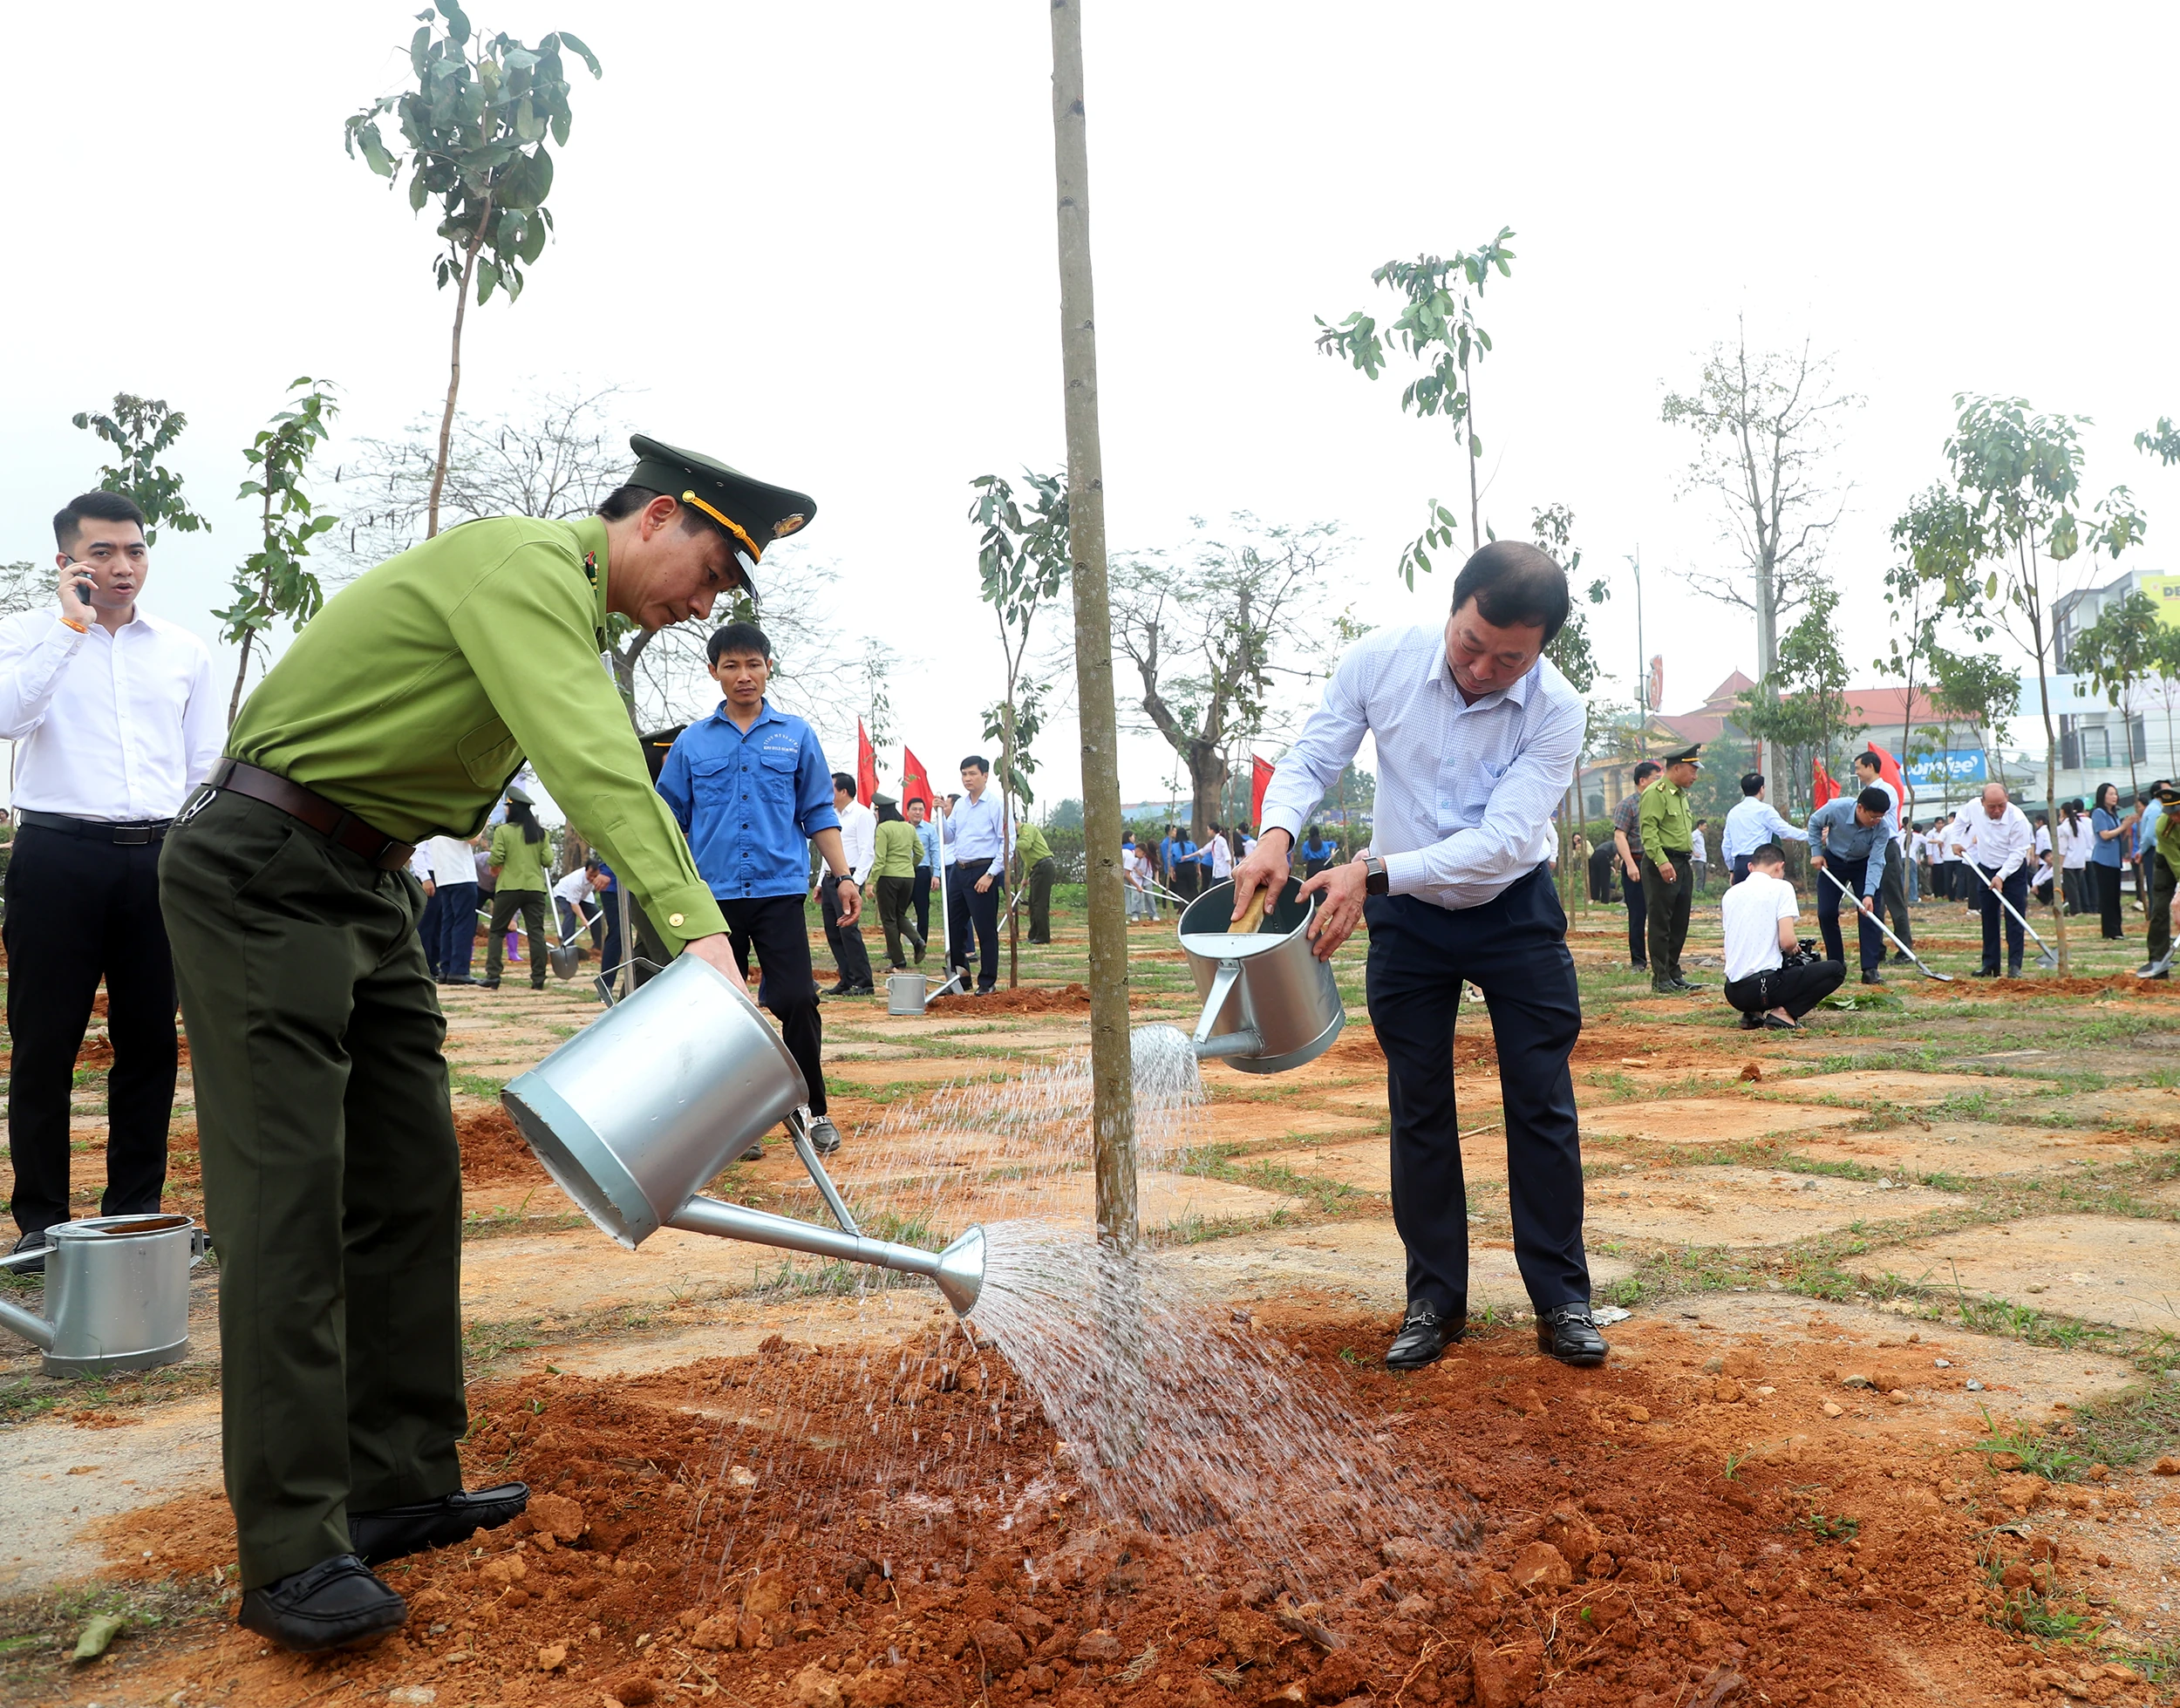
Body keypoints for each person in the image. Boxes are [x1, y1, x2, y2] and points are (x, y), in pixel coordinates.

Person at [158, 434, 812, 1651]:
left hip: (369, 881)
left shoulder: (567, 605)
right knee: (286, 1202)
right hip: (264, 868)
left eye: (727, 590)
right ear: (657, 516)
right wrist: (698, 934)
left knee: (411, 1180)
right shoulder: (522, 565)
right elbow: (590, 752)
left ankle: (400, 1479)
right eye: (712, 567)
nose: (707, 602)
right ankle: (293, 1548)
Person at [1237, 539, 1607, 1372]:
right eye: (1471, 644)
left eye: (1509, 659)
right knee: (1419, 1102)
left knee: (1540, 1098)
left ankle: (1562, 1299)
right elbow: (1314, 755)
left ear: (1541, 648)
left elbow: (1505, 838)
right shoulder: (1381, 662)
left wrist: (1368, 872)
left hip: (1511, 906)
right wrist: (1276, 832)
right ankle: (1433, 1299)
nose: (1482, 669)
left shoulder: (1557, 709)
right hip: (1406, 916)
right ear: (1453, 608)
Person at [0, 490, 221, 1272]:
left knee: (150, 1043)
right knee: (43, 1043)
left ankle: (132, 1213)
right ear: (67, 561)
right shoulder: (26, 636)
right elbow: (9, 718)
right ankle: (40, 1225)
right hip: (56, 856)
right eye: (101, 553)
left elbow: (203, 766)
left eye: (133, 550)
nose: (121, 567)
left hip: (157, 860)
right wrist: (70, 628)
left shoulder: (183, 649)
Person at [655, 621, 854, 1157]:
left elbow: (817, 811)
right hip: (712, 896)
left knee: (795, 999)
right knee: (721, 1012)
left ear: (768, 667)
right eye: (731, 665)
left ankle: (815, 1111)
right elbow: (667, 817)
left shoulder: (796, 735)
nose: (744, 675)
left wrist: (843, 875)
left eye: (753, 664)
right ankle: (740, 1123)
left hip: (778, 890)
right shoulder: (692, 743)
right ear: (714, 671)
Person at [1720, 843, 1845, 1031]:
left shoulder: (1730, 894)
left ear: (1750, 867)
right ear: (1780, 866)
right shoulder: (1781, 887)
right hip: (1763, 989)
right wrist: (1793, 948)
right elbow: (1787, 941)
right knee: (1836, 969)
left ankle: (1752, 1014)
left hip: (1733, 992)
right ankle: (1784, 1014)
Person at [1947, 781, 2035, 978]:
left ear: (2007, 800)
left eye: (2001, 806)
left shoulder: (2018, 820)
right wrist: (1955, 842)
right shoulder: (1973, 807)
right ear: (1982, 803)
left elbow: (2017, 853)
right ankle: (1990, 964)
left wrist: (2001, 876)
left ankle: (2015, 965)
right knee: (1988, 916)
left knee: (2015, 917)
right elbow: (1959, 821)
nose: (1997, 811)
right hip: (1986, 868)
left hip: (2012, 871)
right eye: (1992, 807)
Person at [1637, 745, 1705, 995]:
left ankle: (1674, 972)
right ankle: (1660, 977)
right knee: (1661, 921)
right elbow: (1649, 831)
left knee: (1679, 921)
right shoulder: (1656, 792)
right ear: (1677, 768)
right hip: (1662, 864)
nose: (1695, 776)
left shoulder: (1679, 794)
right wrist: (1662, 862)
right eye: (1692, 770)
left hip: (1682, 863)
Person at [1808, 785, 1893, 984]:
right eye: (1873, 817)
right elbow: (1814, 823)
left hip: (1863, 865)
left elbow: (1876, 861)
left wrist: (1869, 893)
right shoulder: (1836, 808)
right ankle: (1836, 964)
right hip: (1833, 861)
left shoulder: (1882, 828)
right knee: (1826, 913)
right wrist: (1816, 853)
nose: (1876, 821)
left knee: (1870, 913)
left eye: (1880, 817)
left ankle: (1870, 968)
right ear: (1860, 808)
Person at [945, 757, 1012, 993]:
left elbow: (1007, 843)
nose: (967, 778)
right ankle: (959, 979)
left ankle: (987, 982)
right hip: (958, 871)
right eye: (964, 774)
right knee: (954, 927)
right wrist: (942, 815)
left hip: (983, 872)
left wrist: (991, 874)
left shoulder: (996, 805)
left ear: (985, 776)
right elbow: (948, 837)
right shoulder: (960, 805)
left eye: (972, 773)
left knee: (985, 930)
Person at [481, 786, 550, 990]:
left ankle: (493, 976)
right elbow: (548, 860)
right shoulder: (540, 833)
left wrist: (496, 865)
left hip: (509, 888)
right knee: (536, 933)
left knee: (497, 932)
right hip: (535, 889)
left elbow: (496, 858)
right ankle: (538, 978)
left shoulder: (503, 831)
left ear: (514, 809)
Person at [1850, 752, 1915, 965]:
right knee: (1873, 900)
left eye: (1859, 768)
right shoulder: (1868, 792)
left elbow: (1880, 825)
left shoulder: (1885, 790)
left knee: (1893, 898)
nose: (1857, 773)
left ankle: (1905, 948)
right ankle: (1876, 949)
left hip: (1885, 848)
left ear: (1870, 766)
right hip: (1870, 850)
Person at [820, 772, 875, 997]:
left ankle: (864, 981)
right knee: (834, 932)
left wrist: (856, 882)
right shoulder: (831, 814)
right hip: (829, 879)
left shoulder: (862, 814)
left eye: (831, 788)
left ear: (843, 791)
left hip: (848, 878)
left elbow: (867, 852)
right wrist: (819, 882)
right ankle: (846, 978)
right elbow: (827, 850)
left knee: (849, 932)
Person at [1720, 770, 1806, 888]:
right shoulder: (1765, 810)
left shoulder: (1733, 812)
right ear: (1761, 789)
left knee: (1744, 904)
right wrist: (1810, 835)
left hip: (1740, 865)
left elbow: (1726, 845)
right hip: (1760, 863)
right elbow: (1785, 831)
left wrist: (1732, 869)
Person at [869, 793, 925, 971]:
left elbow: (880, 859)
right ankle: (917, 940)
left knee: (889, 919)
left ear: (880, 811)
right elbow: (920, 853)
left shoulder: (883, 828)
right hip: (908, 877)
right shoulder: (909, 828)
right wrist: (909, 866)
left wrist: (871, 881)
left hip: (888, 877)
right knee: (899, 914)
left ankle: (898, 960)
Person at [1611, 761, 1659, 970]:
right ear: (1642, 781)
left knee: (1660, 916)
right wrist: (1630, 865)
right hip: (1637, 864)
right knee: (1638, 916)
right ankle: (1638, 961)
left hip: (1657, 865)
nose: (1660, 783)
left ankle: (1663, 963)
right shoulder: (1628, 805)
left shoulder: (1659, 803)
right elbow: (1620, 835)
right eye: (1656, 779)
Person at [2140, 784, 2179, 978]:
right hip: (2167, 863)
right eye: (2171, 813)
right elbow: (2176, 862)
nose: (2175, 818)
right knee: (2161, 909)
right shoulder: (2162, 826)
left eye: (2178, 813)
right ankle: (2157, 960)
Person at [2089, 783, 2134, 941]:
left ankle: (2117, 928)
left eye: (2115, 794)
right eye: (2111, 794)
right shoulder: (2098, 813)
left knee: (2115, 896)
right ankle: (2109, 930)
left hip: (2114, 860)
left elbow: (2117, 836)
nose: (2115, 797)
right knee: (2107, 896)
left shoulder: (2113, 814)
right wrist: (2123, 826)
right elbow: (2105, 835)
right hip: (2103, 860)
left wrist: (2126, 828)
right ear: (2103, 796)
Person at [1014, 815, 1057, 942]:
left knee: (1040, 904)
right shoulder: (1019, 837)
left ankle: (1043, 936)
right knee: (1032, 904)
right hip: (1035, 870)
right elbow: (1028, 862)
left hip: (1044, 867)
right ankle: (1033, 935)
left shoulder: (1027, 829)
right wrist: (1025, 878)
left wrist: (1009, 842)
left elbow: (1026, 845)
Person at [553, 856, 603, 949]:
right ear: (586, 870)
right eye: (590, 874)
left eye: (595, 876)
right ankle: (567, 946)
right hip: (563, 894)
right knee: (570, 913)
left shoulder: (601, 877)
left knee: (596, 915)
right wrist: (584, 920)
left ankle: (598, 946)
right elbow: (574, 904)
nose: (592, 878)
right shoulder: (577, 882)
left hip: (583, 896)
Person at [909, 797, 940, 944]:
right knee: (897, 911)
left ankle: (921, 945)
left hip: (922, 873)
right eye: (914, 809)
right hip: (903, 874)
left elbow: (935, 852)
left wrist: (936, 875)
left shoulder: (930, 829)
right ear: (908, 811)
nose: (917, 812)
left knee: (922, 910)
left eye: (921, 809)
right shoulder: (902, 828)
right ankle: (894, 948)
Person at [2056, 800, 2091, 916]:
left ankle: (2075, 910)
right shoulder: (2081, 826)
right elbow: (2085, 844)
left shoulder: (2062, 828)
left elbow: (2062, 849)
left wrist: (2060, 865)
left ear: (2063, 812)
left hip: (2068, 861)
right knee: (2079, 886)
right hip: (2080, 860)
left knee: (2071, 888)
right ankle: (2084, 907)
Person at [1689, 819, 1709, 896]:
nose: (1706, 828)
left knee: (1703, 876)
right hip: (1697, 859)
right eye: (1704, 826)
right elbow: (1689, 842)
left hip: (1703, 859)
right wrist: (1693, 853)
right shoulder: (1695, 834)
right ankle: (1698, 892)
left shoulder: (1701, 835)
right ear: (1700, 826)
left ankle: (1702, 892)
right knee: (1700, 876)